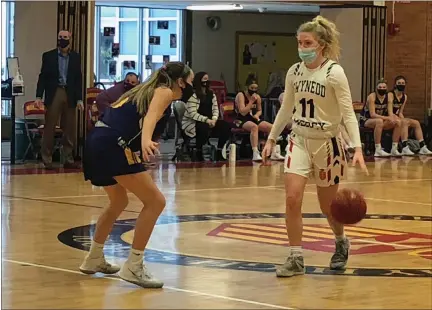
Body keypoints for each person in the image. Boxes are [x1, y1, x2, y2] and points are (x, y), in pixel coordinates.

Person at [261, 16, 368, 277]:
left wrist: (357, 148)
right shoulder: (294, 72)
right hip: (298, 139)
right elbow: (286, 108)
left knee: (327, 206)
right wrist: (272, 138)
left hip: (328, 144)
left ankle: (341, 241)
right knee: (291, 198)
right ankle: (296, 257)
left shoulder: (334, 73)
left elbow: (348, 113)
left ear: (321, 45)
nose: (302, 47)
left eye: (307, 42)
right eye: (299, 42)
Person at [79, 62, 194, 288]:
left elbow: (138, 121)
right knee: (156, 202)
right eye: (189, 82)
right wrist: (144, 140)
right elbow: (150, 118)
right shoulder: (164, 91)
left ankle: (93, 257)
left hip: (96, 141)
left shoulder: (142, 90)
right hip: (113, 144)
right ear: (180, 82)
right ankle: (134, 265)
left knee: (118, 200)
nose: (191, 87)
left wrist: (142, 146)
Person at [35, 30, 83, 169]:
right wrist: (39, 96)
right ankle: (47, 158)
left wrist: (79, 99)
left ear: (70, 39)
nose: (63, 39)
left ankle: (68, 158)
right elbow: (42, 77)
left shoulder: (75, 57)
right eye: (60, 37)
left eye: (65, 37)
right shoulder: (48, 56)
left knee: (69, 127)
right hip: (54, 92)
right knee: (50, 126)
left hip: (70, 93)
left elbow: (78, 78)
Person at [182, 72, 232, 161]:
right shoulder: (193, 96)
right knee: (203, 127)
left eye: (207, 79)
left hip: (211, 121)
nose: (207, 81)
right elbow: (193, 114)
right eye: (204, 79)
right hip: (195, 122)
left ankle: (219, 150)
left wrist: (214, 119)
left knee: (225, 125)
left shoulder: (211, 94)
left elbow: (215, 109)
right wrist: (207, 120)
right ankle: (199, 150)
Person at [235, 74, 284, 161]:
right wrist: (251, 102)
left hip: (252, 118)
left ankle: (274, 152)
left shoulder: (258, 97)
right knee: (254, 127)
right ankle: (255, 152)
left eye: (255, 88)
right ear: (247, 87)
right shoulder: (241, 95)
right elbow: (242, 112)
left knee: (272, 127)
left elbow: (259, 110)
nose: (253, 90)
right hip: (239, 119)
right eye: (252, 88)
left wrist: (257, 115)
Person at [389, 76, 432, 156]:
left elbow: (400, 112)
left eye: (403, 83)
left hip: (397, 116)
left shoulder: (404, 97)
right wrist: (402, 120)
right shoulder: (391, 95)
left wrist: (403, 118)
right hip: (389, 117)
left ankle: (422, 147)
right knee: (404, 122)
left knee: (416, 122)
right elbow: (389, 112)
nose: (401, 85)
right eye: (399, 83)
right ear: (395, 84)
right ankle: (405, 147)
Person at [359, 80, 402, 157]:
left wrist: (393, 117)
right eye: (380, 87)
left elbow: (390, 112)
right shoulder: (372, 96)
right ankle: (378, 149)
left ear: (386, 88)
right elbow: (372, 115)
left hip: (381, 120)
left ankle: (394, 149)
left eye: (384, 87)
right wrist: (387, 118)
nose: (382, 89)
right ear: (376, 88)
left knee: (398, 122)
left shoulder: (388, 97)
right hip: (366, 120)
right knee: (379, 121)